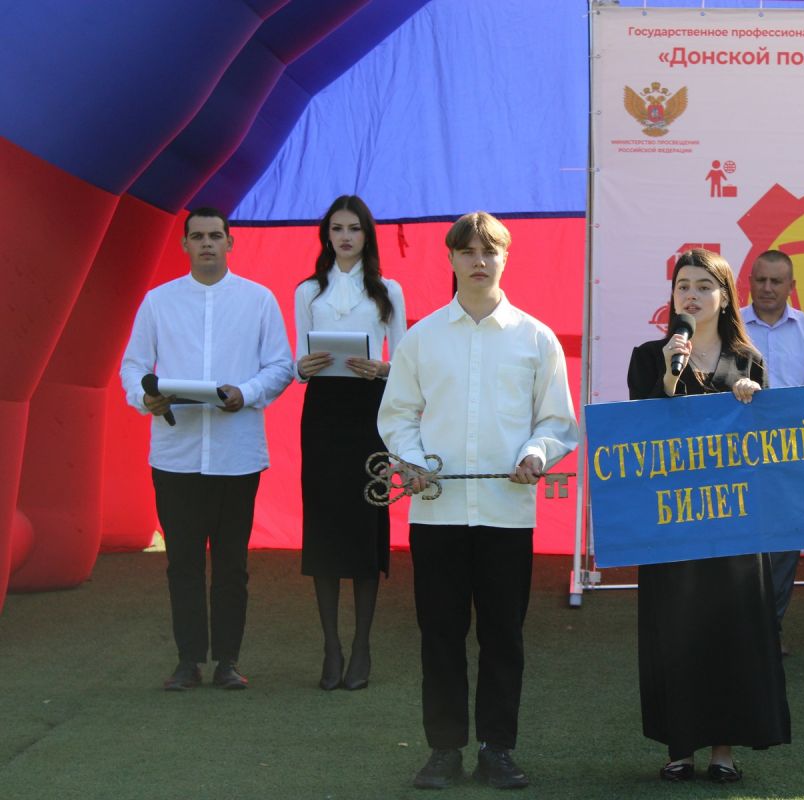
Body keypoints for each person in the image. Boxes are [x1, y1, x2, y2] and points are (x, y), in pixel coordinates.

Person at [377, 212, 578, 790]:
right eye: (467, 251)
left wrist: (538, 454)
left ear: (505, 257)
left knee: (502, 636)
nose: (479, 261)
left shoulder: (535, 338)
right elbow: (396, 416)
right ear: (451, 259)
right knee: (439, 634)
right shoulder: (422, 337)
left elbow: (556, 421)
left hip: (506, 515)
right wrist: (410, 463)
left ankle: (497, 749)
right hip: (436, 513)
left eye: (490, 251)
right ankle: (443, 750)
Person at [627, 248, 790, 784]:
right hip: (672, 521)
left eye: (702, 286)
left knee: (729, 630)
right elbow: (642, 433)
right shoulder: (650, 355)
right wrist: (671, 379)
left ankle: (723, 749)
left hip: (734, 525)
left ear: (723, 298)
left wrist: (752, 398)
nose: (690, 295)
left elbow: (762, 442)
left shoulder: (748, 360)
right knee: (675, 629)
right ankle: (680, 745)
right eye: (682, 287)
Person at [119, 207, 293, 691]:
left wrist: (246, 392)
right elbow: (133, 367)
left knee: (232, 564)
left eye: (216, 236)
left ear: (230, 242)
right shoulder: (159, 302)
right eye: (197, 237)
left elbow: (280, 366)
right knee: (183, 563)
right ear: (185, 245)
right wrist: (145, 397)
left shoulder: (258, 300)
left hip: (236, 455)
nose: (207, 244)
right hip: (176, 454)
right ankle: (188, 660)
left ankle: (228, 661)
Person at [294, 195, 406, 691]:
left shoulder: (388, 291)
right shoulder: (307, 291)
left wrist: (382, 368)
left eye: (354, 228)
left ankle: (362, 646)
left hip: (369, 411)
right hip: (321, 412)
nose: (344, 236)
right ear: (326, 235)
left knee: (365, 522)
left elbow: (405, 363)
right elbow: (299, 360)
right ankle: (330, 647)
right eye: (337, 228)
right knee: (323, 523)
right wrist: (304, 367)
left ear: (367, 235)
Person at [741, 249, 804, 654]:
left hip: (791, 456)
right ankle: (738, 630)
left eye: (776, 281)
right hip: (738, 454)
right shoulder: (729, 328)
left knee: (783, 547)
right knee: (741, 546)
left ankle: (769, 630)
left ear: (791, 287)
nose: (767, 288)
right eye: (760, 280)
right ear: (750, 282)